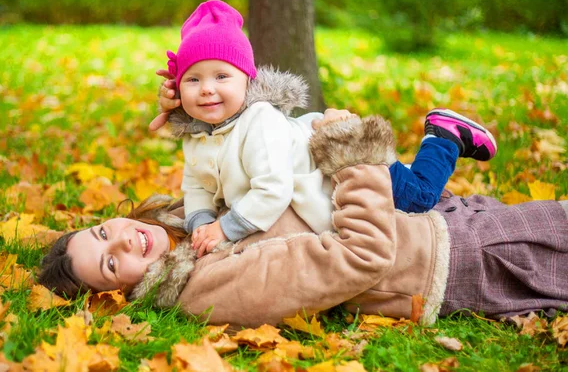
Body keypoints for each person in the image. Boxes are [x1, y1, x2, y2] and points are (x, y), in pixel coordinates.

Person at [38, 111, 568, 327]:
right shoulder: (206, 284)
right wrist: (353, 158)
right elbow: (362, 257)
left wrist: (190, 104)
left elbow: (248, 139)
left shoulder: (187, 226)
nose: (127, 241)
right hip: (449, 261)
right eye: (111, 264)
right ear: (115, 295)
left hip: (440, 221)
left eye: (105, 231)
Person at [149, 0, 497, 257]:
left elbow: (273, 190)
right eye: (193, 80)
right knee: (408, 196)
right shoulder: (198, 135)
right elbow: (195, 183)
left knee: (416, 199)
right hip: (328, 163)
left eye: (221, 76)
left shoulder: (259, 121)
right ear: (179, 90)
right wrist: (200, 225)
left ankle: (443, 136)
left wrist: (224, 228)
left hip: (346, 159)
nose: (207, 89)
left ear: (247, 81)